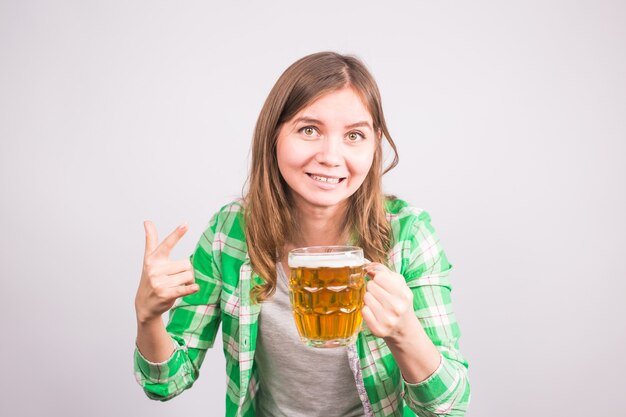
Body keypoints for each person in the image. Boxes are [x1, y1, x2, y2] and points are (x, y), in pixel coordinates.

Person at [133, 51, 470, 417]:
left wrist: (405, 332)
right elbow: (168, 383)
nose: (330, 155)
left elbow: (449, 407)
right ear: (274, 134)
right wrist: (148, 317)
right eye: (309, 130)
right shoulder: (229, 232)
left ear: (374, 145)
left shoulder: (408, 234)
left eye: (354, 135)